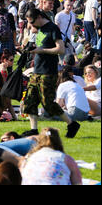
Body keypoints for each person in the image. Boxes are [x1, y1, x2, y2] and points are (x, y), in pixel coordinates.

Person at [22, 8, 81, 138]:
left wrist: (41, 50)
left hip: (48, 71)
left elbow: (60, 49)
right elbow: (33, 34)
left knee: (48, 103)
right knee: (30, 100)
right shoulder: (39, 28)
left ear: (38, 17)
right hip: (37, 69)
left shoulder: (53, 28)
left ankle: (71, 124)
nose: (31, 25)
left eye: (32, 21)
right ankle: (33, 130)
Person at [55, 0, 76, 64]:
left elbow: (72, 27)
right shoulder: (59, 15)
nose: (69, 7)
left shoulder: (72, 15)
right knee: (61, 59)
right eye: (68, 5)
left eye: (71, 5)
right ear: (64, 5)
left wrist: (74, 36)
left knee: (69, 58)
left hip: (68, 39)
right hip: (60, 40)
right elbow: (56, 29)